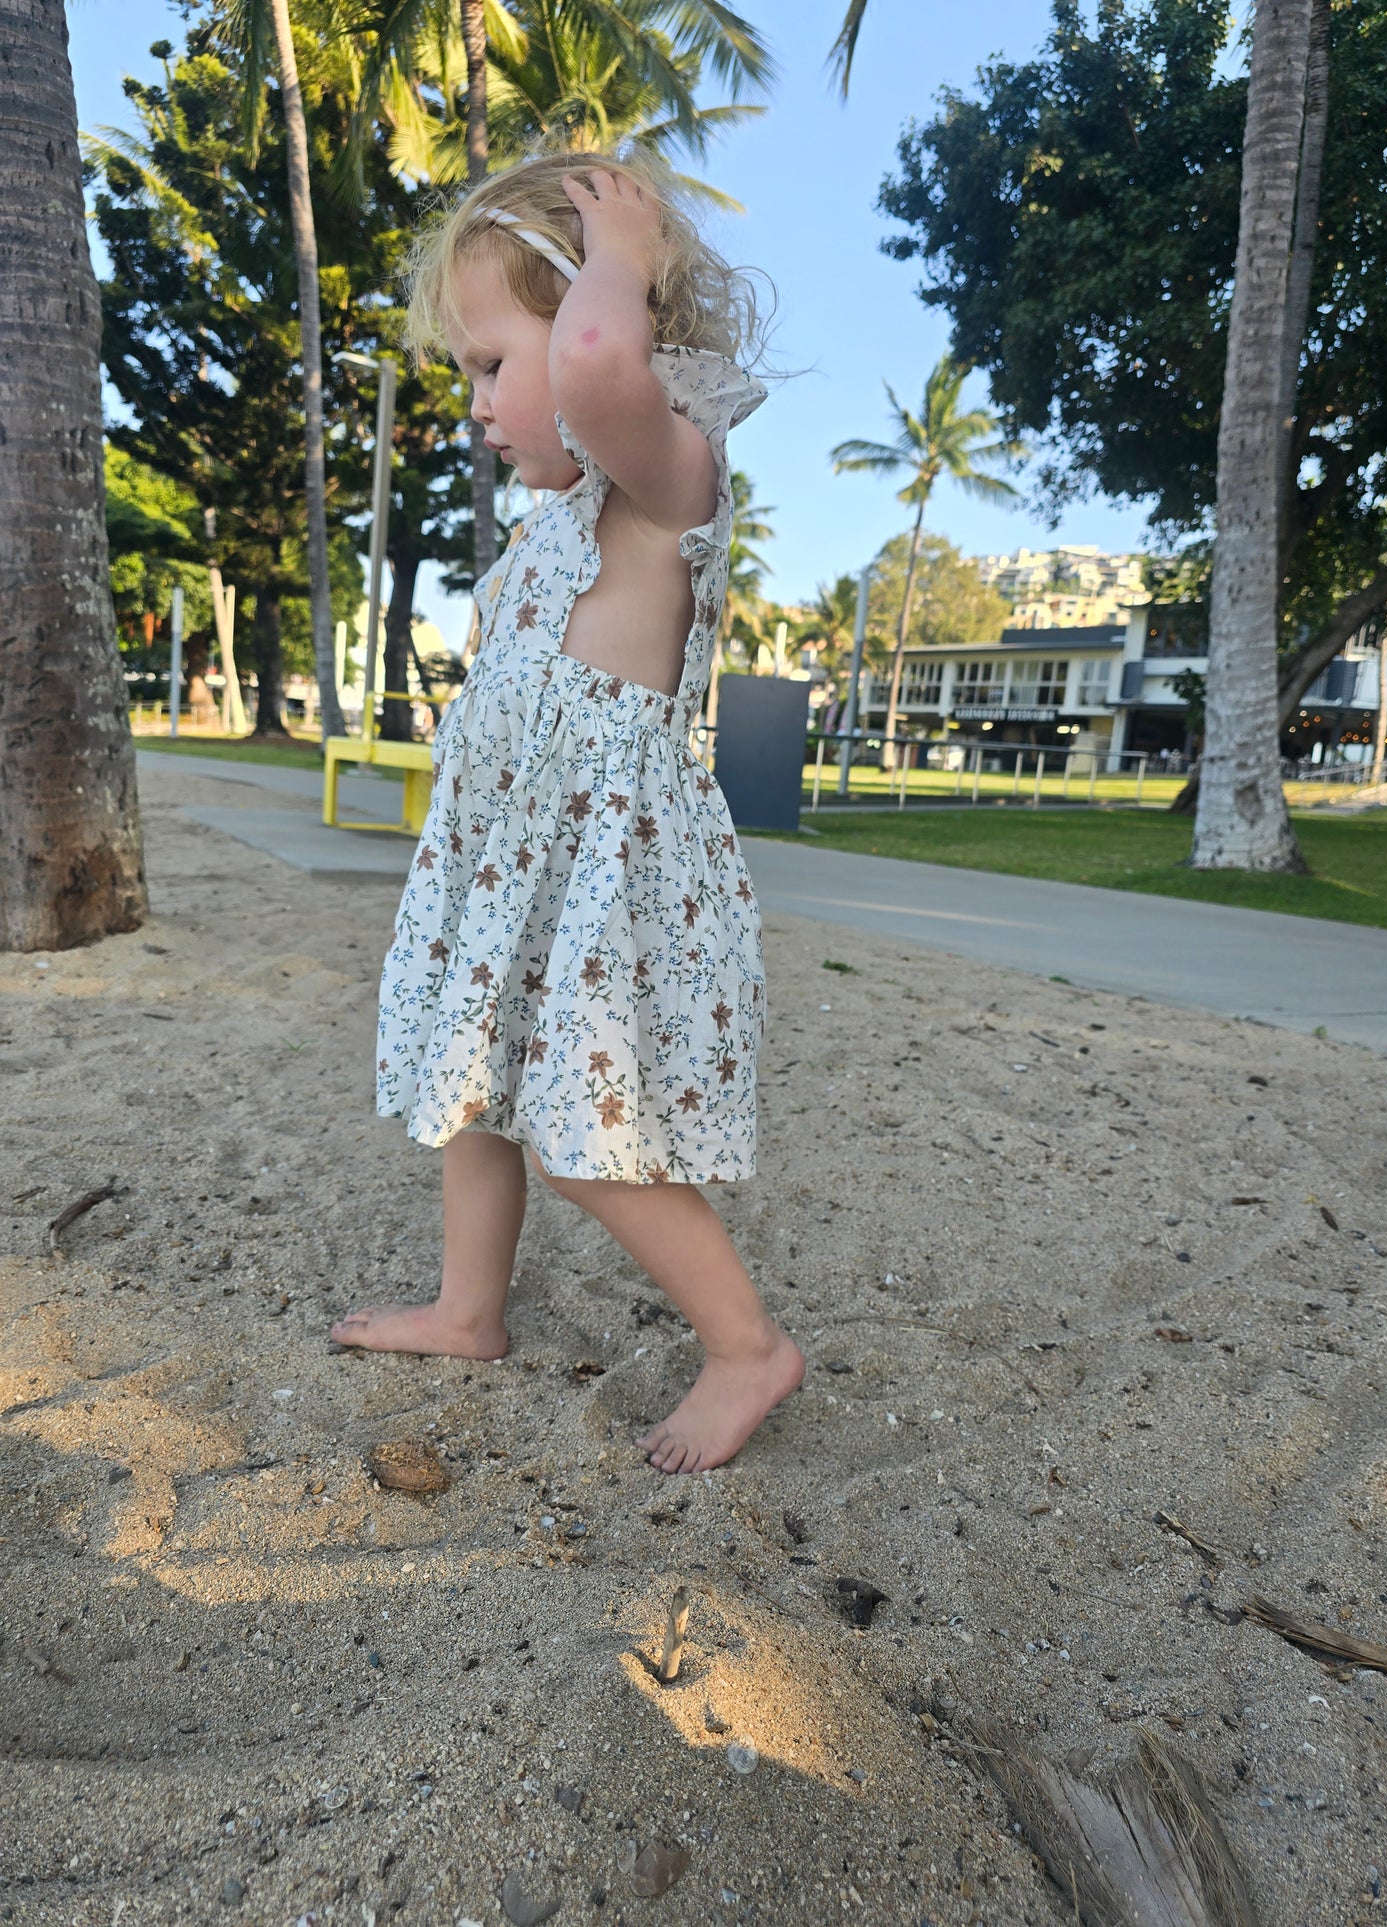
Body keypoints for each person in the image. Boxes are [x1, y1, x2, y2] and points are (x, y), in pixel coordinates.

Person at [330, 153, 804, 1475]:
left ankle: (745, 1348)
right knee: (474, 1094)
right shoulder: (551, 521)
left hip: (606, 865)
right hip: (514, 861)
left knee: (590, 1132)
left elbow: (596, 369)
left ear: (617, 313)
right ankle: (467, 1307)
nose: (475, 400)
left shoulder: (666, 476)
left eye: (490, 362)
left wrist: (620, 261)